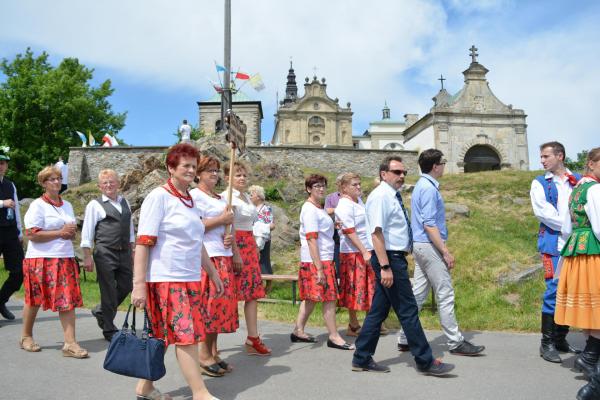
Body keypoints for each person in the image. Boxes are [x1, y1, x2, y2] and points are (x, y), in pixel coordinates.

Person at [131, 143, 223, 400]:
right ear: (171, 168)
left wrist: (212, 272)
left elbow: (197, 240)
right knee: (186, 336)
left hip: (190, 277)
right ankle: (200, 392)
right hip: (166, 279)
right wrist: (138, 284)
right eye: (186, 165)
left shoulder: (191, 199)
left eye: (194, 166)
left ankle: (145, 387)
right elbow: (143, 242)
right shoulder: (158, 197)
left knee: (162, 335)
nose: (191, 170)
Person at [351, 156, 453, 375]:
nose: (402, 176)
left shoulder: (390, 195)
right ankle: (425, 360)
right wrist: (386, 267)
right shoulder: (380, 196)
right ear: (383, 173)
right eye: (397, 172)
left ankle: (361, 357)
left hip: (393, 257)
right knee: (407, 310)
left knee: (378, 311)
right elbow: (376, 233)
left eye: (404, 172)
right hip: (389, 258)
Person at [396, 149, 485, 356]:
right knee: (445, 293)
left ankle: (404, 336)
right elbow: (429, 224)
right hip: (429, 245)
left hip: (421, 245)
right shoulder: (428, 188)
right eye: (443, 162)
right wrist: (445, 251)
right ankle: (455, 342)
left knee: (418, 293)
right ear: (435, 166)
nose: (444, 165)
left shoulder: (422, 186)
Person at [20, 166, 87, 358]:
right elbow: (31, 234)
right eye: (51, 179)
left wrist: (70, 233)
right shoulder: (37, 205)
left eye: (58, 178)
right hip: (40, 259)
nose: (56, 182)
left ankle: (70, 343)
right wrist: (60, 233)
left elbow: (69, 230)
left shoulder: (67, 205)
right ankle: (26, 336)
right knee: (34, 299)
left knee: (67, 299)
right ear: (43, 183)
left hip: (64, 257)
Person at [551, 148, 600, 400]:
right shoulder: (595, 189)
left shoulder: (577, 190)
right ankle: (591, 363)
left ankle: (589, 357)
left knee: (593, 311)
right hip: (593, 252)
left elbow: (567, 227)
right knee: (597, 309)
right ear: (591, 164)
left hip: (576, 251)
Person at [530, 141, 581, 363]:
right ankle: (547, 343)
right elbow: (543, 212)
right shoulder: (540, 183)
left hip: (578, 244)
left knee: (571, 291)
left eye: (545, 156)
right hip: (554, 244)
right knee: (553, 291)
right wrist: (572, 226)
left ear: (560, 156)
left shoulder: (578, 181)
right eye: (541, 157)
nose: (542, 161)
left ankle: (561, 338)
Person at [291, 174, 354, 351]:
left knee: (311, 298)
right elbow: (311, 239)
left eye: (323, 185)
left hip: (321, 258)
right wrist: (319, 268)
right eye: (316, 186)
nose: (321, 188)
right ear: (308, 189)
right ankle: (334, 336)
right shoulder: (310, 209)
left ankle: (298, 330)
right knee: (329, 298)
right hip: (318, 260)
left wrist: (334, 227)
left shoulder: (318, 208)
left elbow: (320, 232)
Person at [190, 155, 240, 376]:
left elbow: (230, 228)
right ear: (198, 173)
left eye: (216, 170)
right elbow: (194, 227)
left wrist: (231, 241)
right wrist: (221, 221)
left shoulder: (221, 198)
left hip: (224, 255)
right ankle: (203, 354)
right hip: (207, 257)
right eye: (209, 170)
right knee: (209, 306)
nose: (214, 174)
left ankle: (213, 351)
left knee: (220, 307)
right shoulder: (195, 196)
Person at [222, 162, 271, 356]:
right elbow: (229, 226)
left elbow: (251, 223)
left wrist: (255, 246)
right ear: (227, 178)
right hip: (237, 244)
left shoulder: (245, 197)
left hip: (249, 243)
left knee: (252, 293)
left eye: (243, 175)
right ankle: (210, 345)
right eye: (237, 175)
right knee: (230, 294)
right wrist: (235, 252)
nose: (242, 178)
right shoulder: (229, 197)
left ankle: (253, 337)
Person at [80, 169, 135, 341]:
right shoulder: (94, 205)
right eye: (105, 183)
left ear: (118, 183)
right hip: (105, 252)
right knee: (108, 290)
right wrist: (87, 256)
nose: (109, 185)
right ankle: (109, 329)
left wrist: (133, 250)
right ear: (99, 186)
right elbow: (87, 233)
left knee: (127, 285)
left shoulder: (125, 201)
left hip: (125, 251)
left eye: (112, 181)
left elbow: (130, 229)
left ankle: (100, 311)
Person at [334, 173, 375, 337]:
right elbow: (349, 230)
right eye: (354, 185)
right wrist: (364, 251)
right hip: (352, 252)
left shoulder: (358, 202)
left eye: (359, 184)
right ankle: (353, 324)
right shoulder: (343, 205)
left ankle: (370, 322)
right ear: (344, 188)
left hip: (365, 249)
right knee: (354, 288)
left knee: (369, 287)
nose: (359, 187)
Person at [0, 147, 24, 320]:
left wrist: (20, 232)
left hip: (10, 232)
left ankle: (0, 300)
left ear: (6, 166)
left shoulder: (10, 184)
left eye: (2, 163)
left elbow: (16, 208)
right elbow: (8, 203)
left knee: (19, 272)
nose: (0, 166)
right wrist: (2, 203)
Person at [249, 185, 275, 278]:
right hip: (253, 238)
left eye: (252, 194)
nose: (250, 196)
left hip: (262, 239)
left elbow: (270, 225)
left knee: (263, 261)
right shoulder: (253, 209)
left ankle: (268, 282)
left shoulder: (265, 209)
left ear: (258, 196)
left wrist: (260, 228)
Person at [325, 176, 343, 277]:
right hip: (335, 232)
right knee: (337, 257)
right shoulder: (330, 197)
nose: (340, 184)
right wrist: (340, 208)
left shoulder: (354, 197)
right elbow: (327, 211)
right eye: (339, 182)